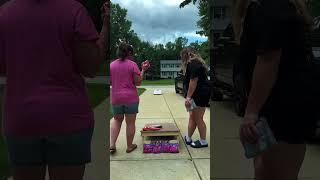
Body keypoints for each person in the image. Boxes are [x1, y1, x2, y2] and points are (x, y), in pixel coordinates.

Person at [0, 1, 110, 180]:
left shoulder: (5, 13)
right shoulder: (73, 10)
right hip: (68, 119)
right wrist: (105, 25)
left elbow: (3, 66)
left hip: (21, 119)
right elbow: (91, 67)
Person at [234, 0, 319, 179]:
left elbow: (269, 59)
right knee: (263, 169)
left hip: (283, 109)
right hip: (275, 107)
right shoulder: (270, 7)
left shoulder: (270, 7)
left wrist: (251, 112)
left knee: (279, 173)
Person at [110, 43, 150, 154]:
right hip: (130, 99)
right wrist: (143, 70)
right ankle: (129, 146)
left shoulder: (111, 65)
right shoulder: (132, 65)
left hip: (116, 98)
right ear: (130, 53)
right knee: (130, 123)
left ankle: (112, 144)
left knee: (117, 120)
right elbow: (138, 82)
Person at [181, 47, 210, 148]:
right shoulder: (193, 63)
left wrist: (188, 98)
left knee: (198, 118)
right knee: (192, 116)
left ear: (188, 54)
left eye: (183, 56)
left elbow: (193, 81)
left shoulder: (194, 63)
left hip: (199, 95)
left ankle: (203, 142)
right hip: (194, 95)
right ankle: (188, 138)